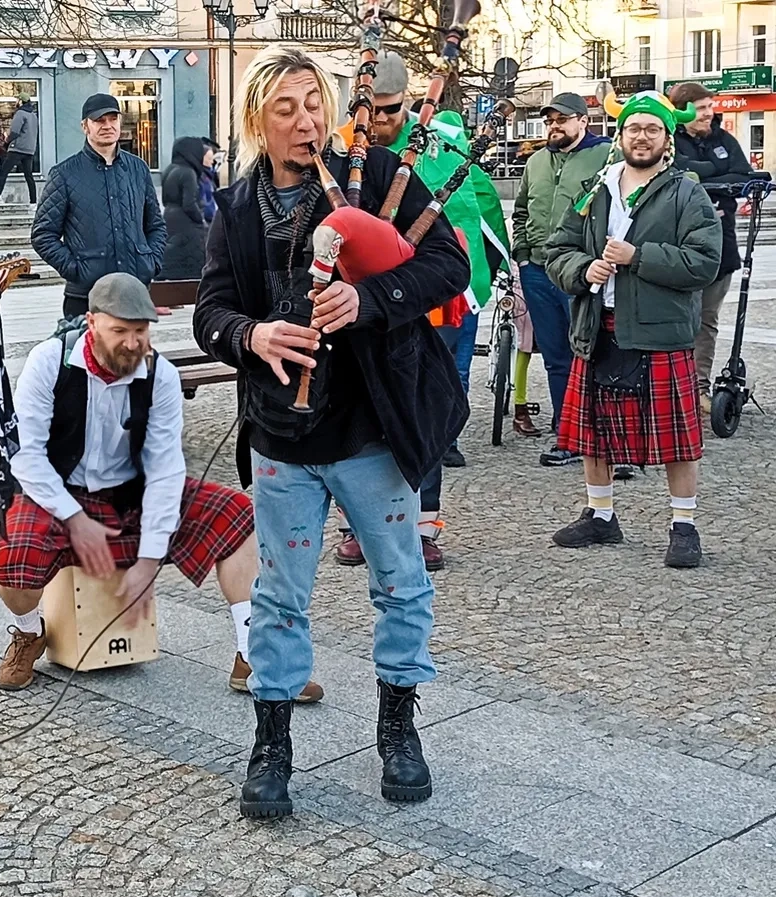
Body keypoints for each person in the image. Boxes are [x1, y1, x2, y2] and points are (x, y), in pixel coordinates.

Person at [192, 46, 470, 816]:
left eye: (314, 102)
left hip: (370, 428)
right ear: (258, 121)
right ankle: (272, 745)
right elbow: (211, 311)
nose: (306, 119)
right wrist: (254, 336)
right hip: (284, 436)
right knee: (280, 596)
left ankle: (398, 729)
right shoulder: (237, 208)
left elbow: (448, 268)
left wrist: (370, 302)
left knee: (402, 585)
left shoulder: (374, 176)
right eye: (286, 107)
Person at [0, 272, 322, 701]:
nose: (133, 343)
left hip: (131, 494)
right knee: (16, 561)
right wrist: (74, 518)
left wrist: (149, 558)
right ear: (91, 324)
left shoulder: (159, 374)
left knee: (238, 517)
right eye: (120, 331)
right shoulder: (48, 361)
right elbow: (27, 457)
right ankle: (29, 630)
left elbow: (166, 468)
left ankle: (252, 654)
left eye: (141, 331)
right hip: (58, 493)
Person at [332, 51, 511, 571]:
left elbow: (467, 214)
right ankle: (358, 524)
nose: (382, 120)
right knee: (356, 410)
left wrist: (480, 277)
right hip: (356, 309)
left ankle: (424, 524)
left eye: (392, 110)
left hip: (425, 301)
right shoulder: (339, 150)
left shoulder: (438, 145)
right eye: (374, 110)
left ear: (407, 104)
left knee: (424, 403)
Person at [544, 90, 721, 569]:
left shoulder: (685, 190)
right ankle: (601, 516)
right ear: (620, 136)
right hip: (598, 325)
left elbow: (706, 261)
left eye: (652, 130)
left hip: (660, 331)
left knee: (676, 438)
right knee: (593, 431)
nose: (641, 137)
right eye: (634, 129)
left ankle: (684, 527)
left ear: (667, 139)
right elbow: (557, 249)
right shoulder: (596, 190)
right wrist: (584, 271)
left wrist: (637, 258)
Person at [513, 92, 613, 466]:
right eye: (550, 121)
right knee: (555, 357)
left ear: (582, 122)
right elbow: (522, 210)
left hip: (578, 271)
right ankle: (566, 433)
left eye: (562, 119)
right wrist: (522, 255)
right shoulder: (537, 161)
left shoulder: (604, 156)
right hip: (538, 271)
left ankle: (601, 434)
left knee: (589, 353)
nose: (554, 126)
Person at [31, 93, 167, 319]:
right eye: (99, 120)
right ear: (85, 126)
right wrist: (77, 270)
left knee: (132, 353)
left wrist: (151, 263)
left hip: (134, 290)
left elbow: (155, 225)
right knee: (82, 354)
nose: (107, 125)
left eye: (113, 119)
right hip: (86, 297)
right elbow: (43, 234)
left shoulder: (138, 169)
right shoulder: (64, 174)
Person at [668, 81, 756, 415]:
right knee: (677, 320)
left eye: (710, 106)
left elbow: (743, 176)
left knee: (707, 320)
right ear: (683, 110)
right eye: (702, 108)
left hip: (722, 245)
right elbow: (676, 174)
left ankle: (698, 388)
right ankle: (670, 388)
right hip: (678, 245)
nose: (709, 113)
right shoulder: (669, 138)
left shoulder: (723, 139)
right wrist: (715, 178)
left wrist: (704, 180)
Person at [158, 136, 210, 280]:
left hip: (169, 218)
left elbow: (164, 198)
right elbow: (189, 203)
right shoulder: (188, 173)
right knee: (189, 263)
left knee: (171, 258)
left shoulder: (170, 169)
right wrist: (201, 221)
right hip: (186, 224)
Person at [0, 93, 38, 205]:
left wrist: (6, 141)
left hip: (17, 148)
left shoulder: (20, 113)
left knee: (3, 171)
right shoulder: (33, 115)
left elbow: (15, 132)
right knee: (29, 175)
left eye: (17, 100)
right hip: (30, 149)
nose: (16, 102)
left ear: (21, 101)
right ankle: (33, 201)